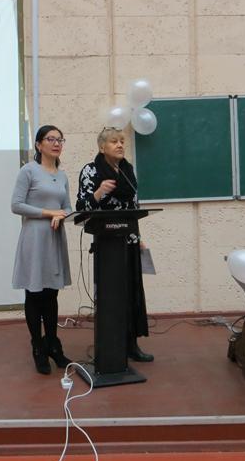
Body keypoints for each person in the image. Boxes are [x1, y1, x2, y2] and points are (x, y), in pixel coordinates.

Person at [75, 127, 154, 362]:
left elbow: (133, 208)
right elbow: (81, 208)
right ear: (102, 147)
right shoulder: (91, 171)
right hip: (106, 243)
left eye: (121, 141)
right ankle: (111, 345)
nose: (120, 145)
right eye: (113, 141)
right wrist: (99, 192)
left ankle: (131, 344)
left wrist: (138, 237)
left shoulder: (128, 171)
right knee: (111, 296)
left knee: (131, 293)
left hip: (128, 240)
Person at [11, 125, 73, 375]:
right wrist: (49, 213)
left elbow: (68, 207)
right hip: (35, 238)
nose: (56, 143)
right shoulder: (28, 170)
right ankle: (37, 346)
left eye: (60, 139)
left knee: (51, 294)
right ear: (39, 144)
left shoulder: (63, 175)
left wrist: (61, 215)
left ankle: (53, 344)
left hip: (54, 238)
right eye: (51, 139)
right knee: (35, 293)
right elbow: (16, 205)